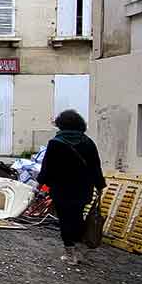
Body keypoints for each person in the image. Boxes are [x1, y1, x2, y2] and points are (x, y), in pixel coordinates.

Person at [37, 109, 106, 265]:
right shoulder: (87, 142)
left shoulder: (55, 143)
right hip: (83, 188)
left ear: (62, 124)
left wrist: (41, 183)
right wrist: (100, 185)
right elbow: (96, 166)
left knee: (65, 219)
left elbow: (48, 167)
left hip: (61, 189)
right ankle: (78, 248)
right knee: (77, 216)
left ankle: (70, 252)